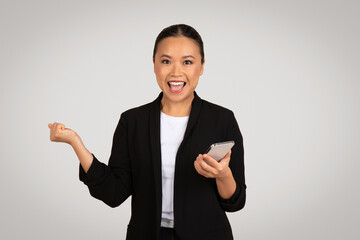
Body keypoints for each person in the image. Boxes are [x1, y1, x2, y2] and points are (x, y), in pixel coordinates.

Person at [48, 24, 246, 240]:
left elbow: (235, 202)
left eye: (187, 62)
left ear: (202, 66)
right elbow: (114, 193)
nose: (176, 72)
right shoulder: (133, 121)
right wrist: (75, 142)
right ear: (154, 65)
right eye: (166, 61)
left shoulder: (222, 119)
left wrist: (222, 174)